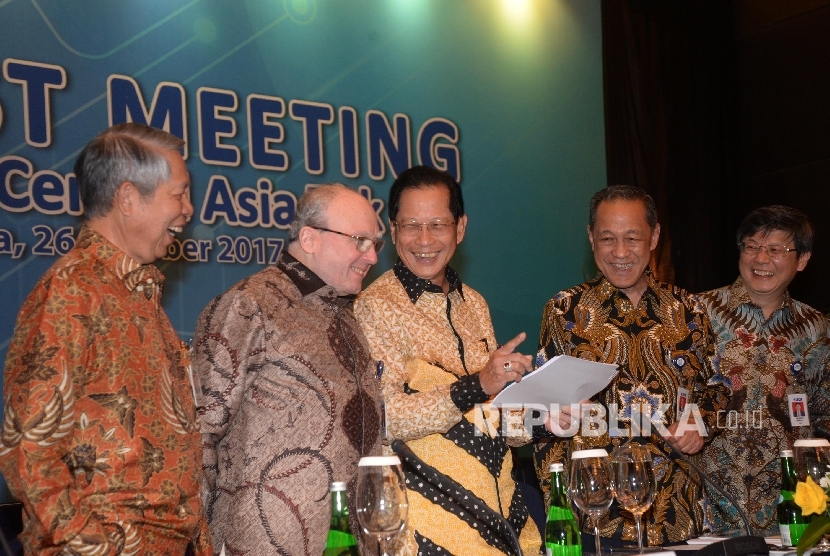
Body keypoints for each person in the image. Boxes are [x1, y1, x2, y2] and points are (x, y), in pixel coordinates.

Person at [0, 123, 210, 555]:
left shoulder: (138, 291)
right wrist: (94, 548)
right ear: (129, 198)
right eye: (180, 193)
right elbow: (28, 450)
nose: (190, 209)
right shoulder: (72, 291)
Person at [354, 165, 542, 555]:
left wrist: (544, 419)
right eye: (411, 225)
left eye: (438, 224)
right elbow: (385, 417)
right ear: (392, 230)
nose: (424, 240)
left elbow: (493, 420)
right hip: (426, 533)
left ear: (460, 227)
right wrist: (477, 384)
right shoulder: (375, 306)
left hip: (503, 523)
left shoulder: (474, 303)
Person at [533, 185, 731, 546]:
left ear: (654, 236)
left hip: (679, 514)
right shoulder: (565, 311)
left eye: (632, 238)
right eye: (607, 238)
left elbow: (717, 389)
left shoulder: (689, 309)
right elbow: (541, 412)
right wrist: (559, 512)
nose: (620, 252)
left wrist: (699, 423)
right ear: (591, 237)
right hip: (596, 518)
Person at [192, 184, 384, 555]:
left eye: (375, 243)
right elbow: (199, 435)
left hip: (348, 542)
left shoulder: (346, 317)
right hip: (261, 542)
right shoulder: (248, 304)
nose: (372, 256)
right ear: (309, 238)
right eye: (360, 241)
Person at [698, 205, 830, 534]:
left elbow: (822, 416)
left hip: (789, 506)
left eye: (775, 249)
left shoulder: (816, 328)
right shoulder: (697, 312)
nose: (761, 259)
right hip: (708, 503)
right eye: (753, 246)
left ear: (802, 259)